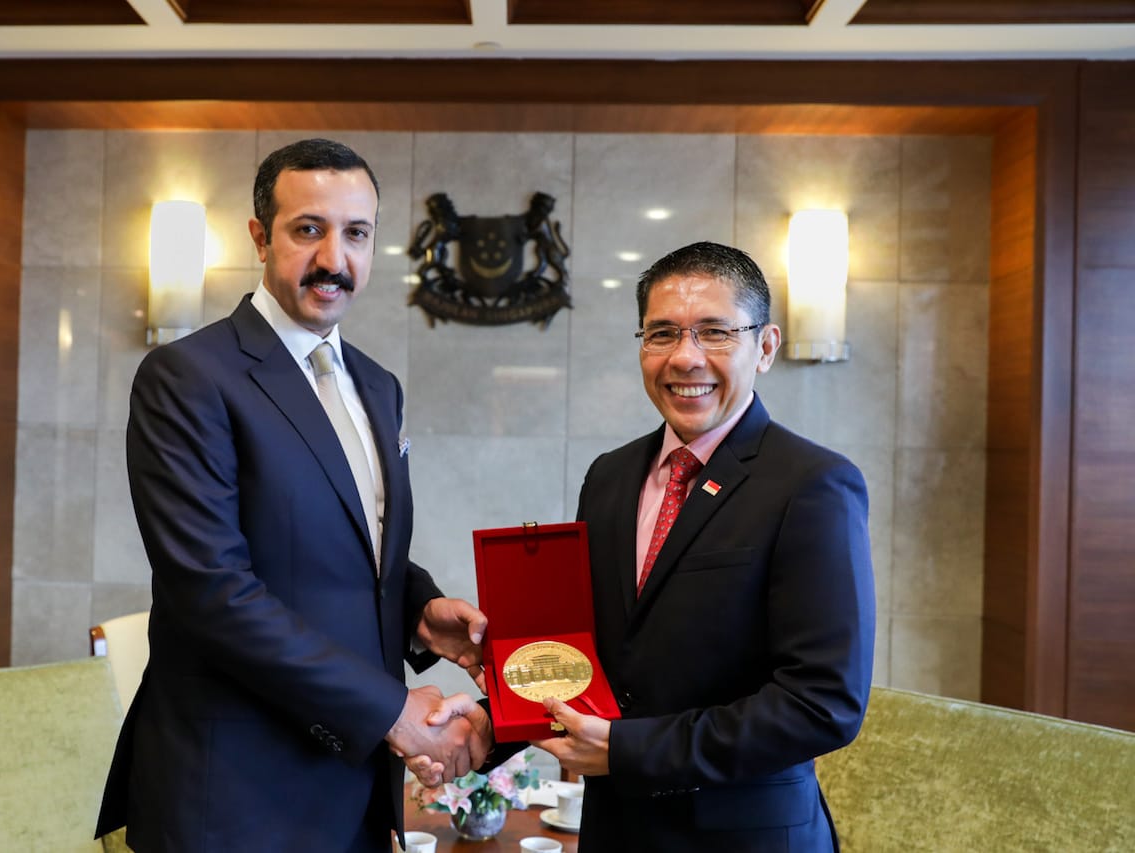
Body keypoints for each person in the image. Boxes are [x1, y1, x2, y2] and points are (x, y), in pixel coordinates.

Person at [95, 138, 493, 852]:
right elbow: (213, 592)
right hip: (233, 795)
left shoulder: (378, 385)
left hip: (354, 788)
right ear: (260, 236)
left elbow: (342, 544)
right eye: (308, 229)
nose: (334, 259)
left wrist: (418, 611)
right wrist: (392, 710)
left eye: (357, 234)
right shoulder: (188, 376)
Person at [531, 241, 875, 851]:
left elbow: (824, 702)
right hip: (616, 830)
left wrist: (628, 749)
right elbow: (591, 650)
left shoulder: (813, 483)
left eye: (715, 332)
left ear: (765, 347)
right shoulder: (609, 475)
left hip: (744, 837)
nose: (685, 358)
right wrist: (489, 717)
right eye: (661, 333)